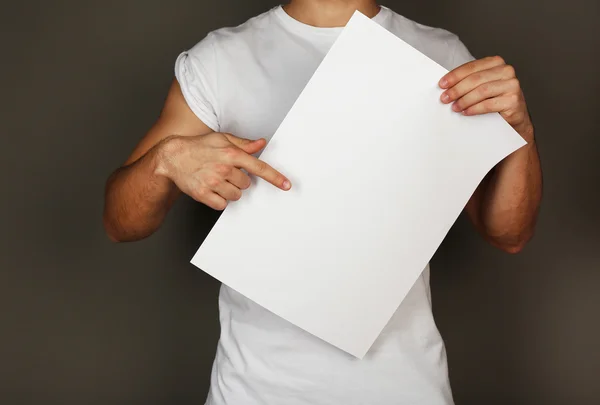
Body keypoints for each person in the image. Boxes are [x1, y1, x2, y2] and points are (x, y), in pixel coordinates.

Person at [102, 0, 542, 403]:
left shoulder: (442, 56)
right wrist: (165, 160)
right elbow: (121, 223)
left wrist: (520, 133)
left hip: (404, 387)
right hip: (256, 391)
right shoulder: (219, 61)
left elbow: (508, 233)